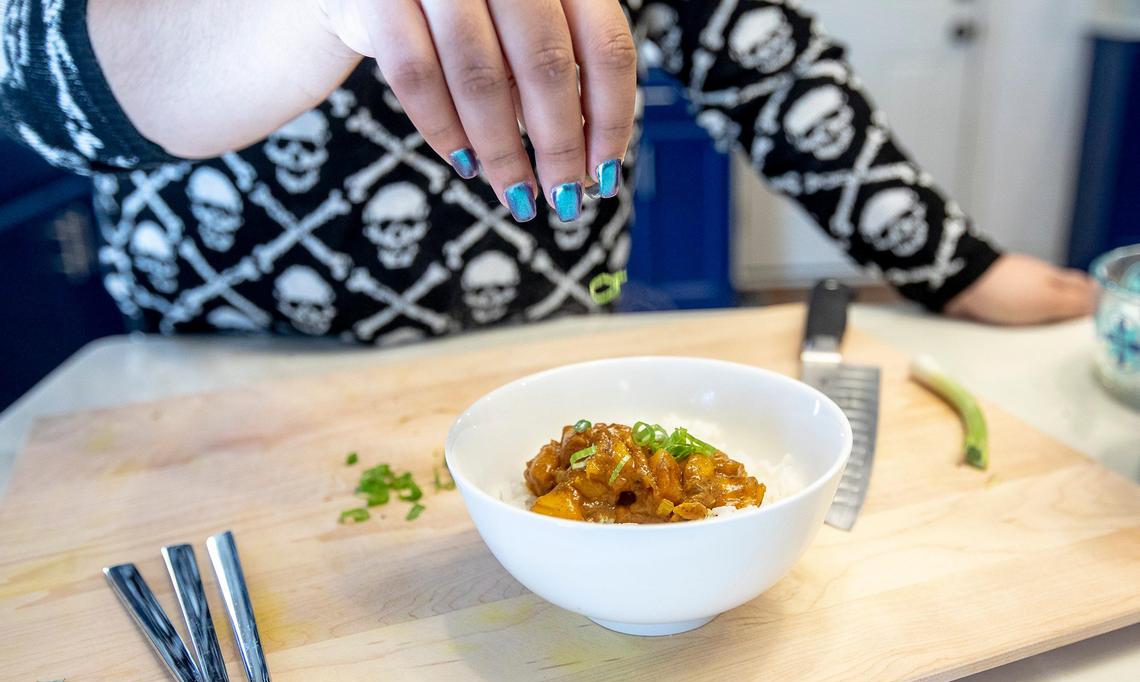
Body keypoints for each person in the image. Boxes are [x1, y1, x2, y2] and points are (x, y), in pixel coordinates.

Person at [0, 0, 1097, 343]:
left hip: (543, 355)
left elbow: (763, 60)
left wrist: (952, 263)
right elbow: (37, 98)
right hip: (207, 379)